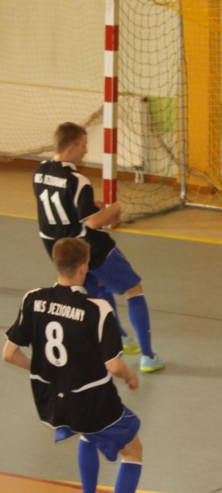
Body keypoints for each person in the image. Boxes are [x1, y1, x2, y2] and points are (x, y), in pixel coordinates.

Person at [3, 238, 144, 493]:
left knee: (88, 433)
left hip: (52, 403)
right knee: (133, 452)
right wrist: (130, 376)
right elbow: (113, 366)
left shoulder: (33, 299)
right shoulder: (97, 309)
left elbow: (9, 354)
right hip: (91, 401)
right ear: (83, 267)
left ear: (56, 263)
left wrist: (44, 370)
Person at [33, 122, 164, 372]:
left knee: (98, 291)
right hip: (90, 248)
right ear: (72, 147)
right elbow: (93, 223)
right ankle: (148, 356)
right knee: (134, 290)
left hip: (60, 250)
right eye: (83, 146)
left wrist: (89, 206)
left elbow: (59, 207)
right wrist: (114, 209)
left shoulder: (39, 171)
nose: (85, 151)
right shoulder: (78, 180)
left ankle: (120, 339)